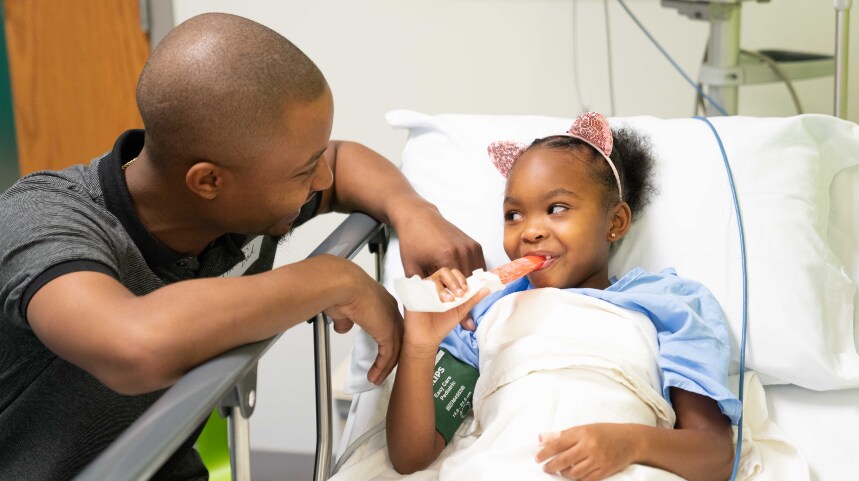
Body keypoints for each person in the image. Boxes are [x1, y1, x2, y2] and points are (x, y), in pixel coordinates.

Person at [0, 13, 484, 481]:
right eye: (305, 169)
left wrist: (415, 212)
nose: (325, 179)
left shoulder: (242, 199)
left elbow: (343, 159)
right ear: (208, 180)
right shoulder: (43, 221)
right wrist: (332, 278)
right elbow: (133, 345)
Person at [386, 113, 740, 481]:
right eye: (514, 214)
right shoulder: (480, 312)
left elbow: (714, 456)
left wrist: (630, 444)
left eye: (557, 208)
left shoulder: (669, 304)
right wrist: (420, 347)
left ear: (615, 223)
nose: (531, 230)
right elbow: (411, 457)